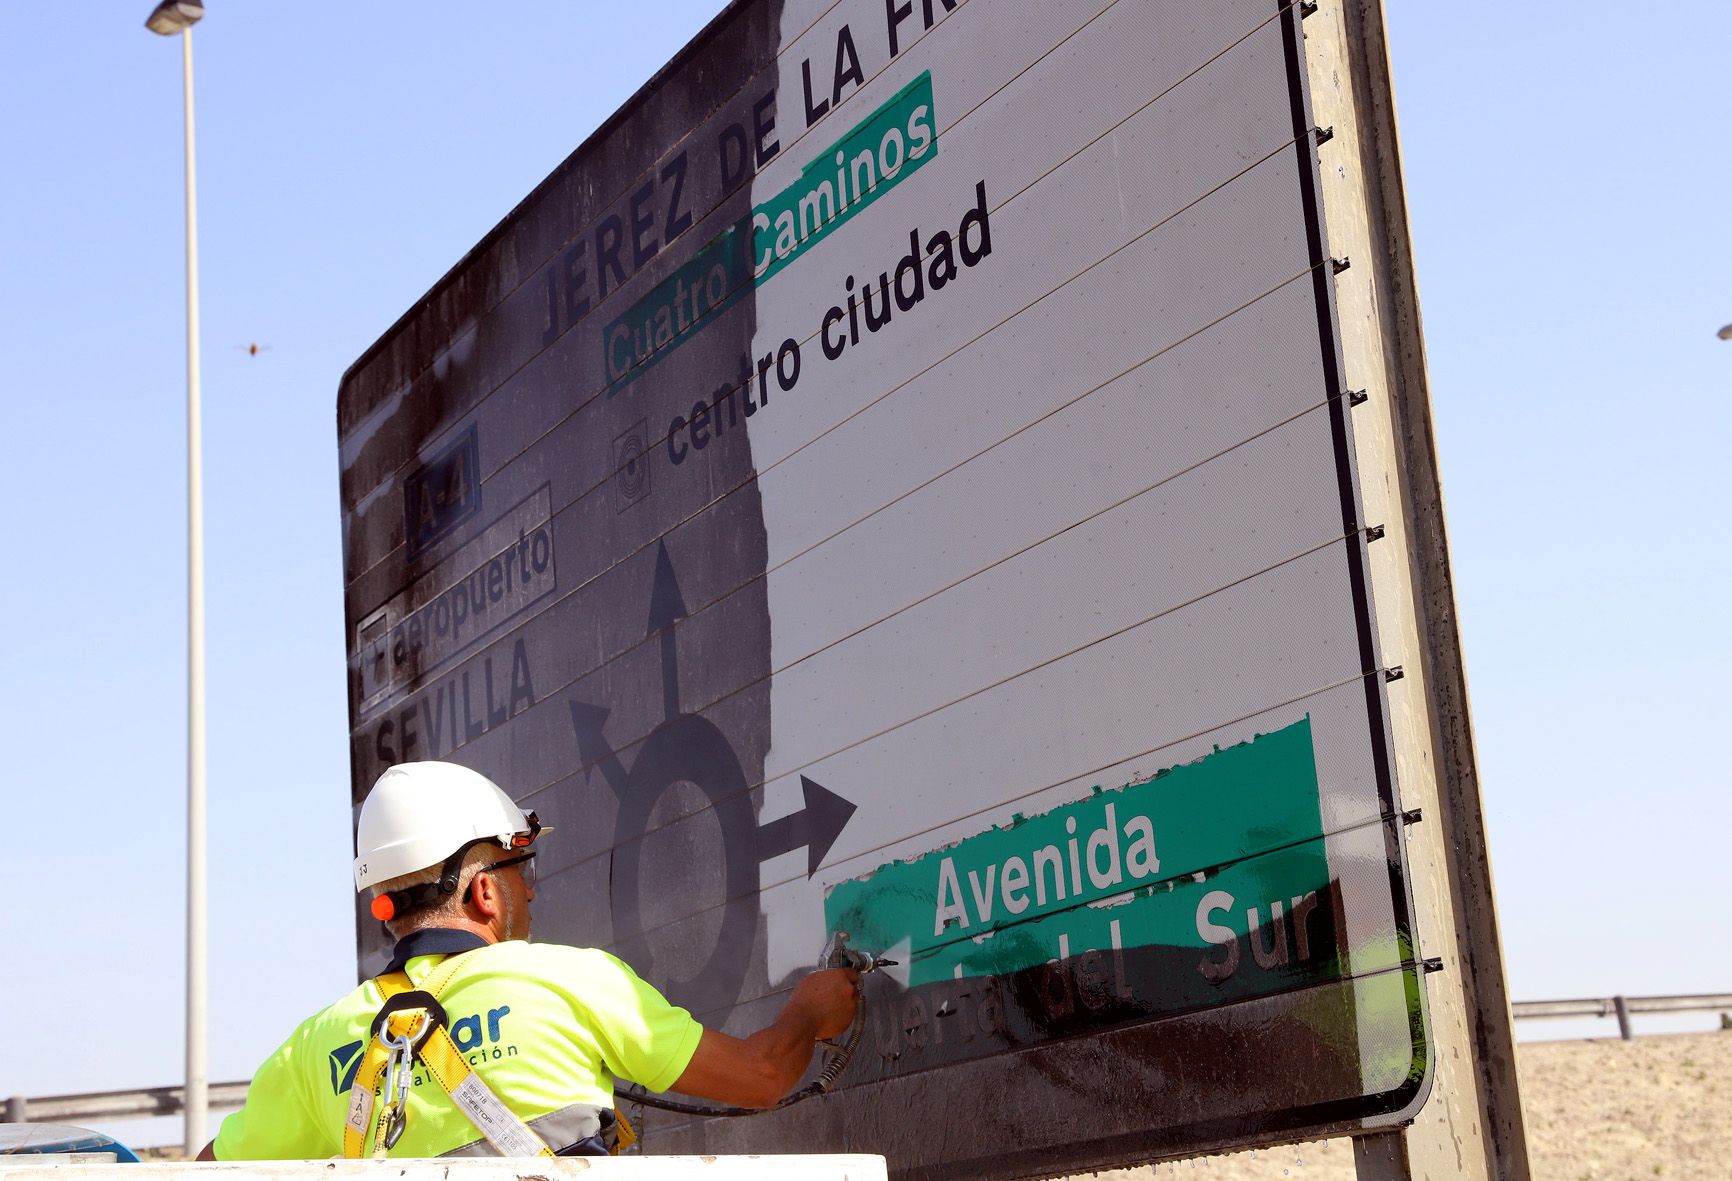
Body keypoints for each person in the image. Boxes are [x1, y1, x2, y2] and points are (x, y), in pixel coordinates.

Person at [199, 760, 859, 1160]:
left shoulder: (315, 1047)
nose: (533, 889)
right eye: (521, 868)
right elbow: (765, 1074)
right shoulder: (568, 980)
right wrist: (810, 1009)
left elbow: (191, 1173)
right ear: (484, 889)